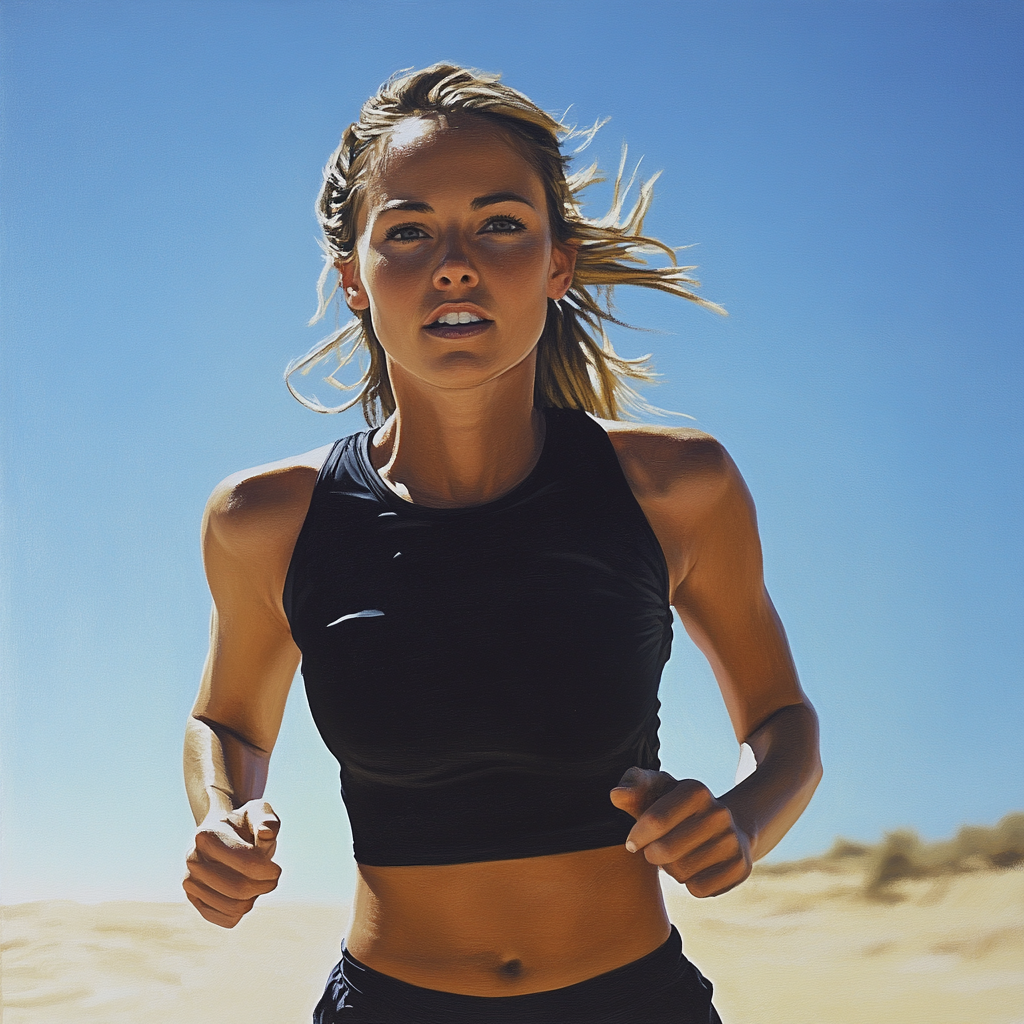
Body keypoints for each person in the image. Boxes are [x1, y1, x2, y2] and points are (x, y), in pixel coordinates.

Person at [182, 64, 822, 1024]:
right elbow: (227, 726)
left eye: (501, 223)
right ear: (353, 277)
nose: (454, 262)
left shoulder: (676, 490)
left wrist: (742, 821)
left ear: (557, 264)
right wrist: (220, 817)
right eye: (407, 231)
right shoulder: (266, 519)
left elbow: (782, 724)